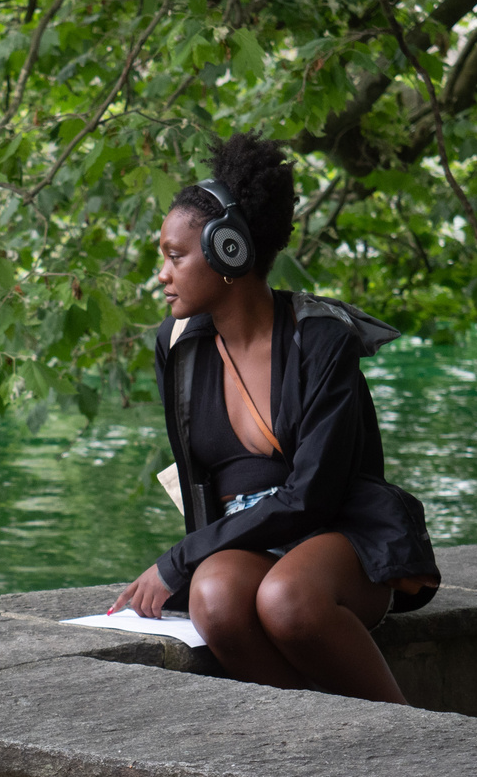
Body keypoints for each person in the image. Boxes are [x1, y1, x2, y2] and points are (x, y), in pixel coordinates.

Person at [111, 134, 439, 704]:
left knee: (287, 598)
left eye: (174, 255)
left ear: (227, 251)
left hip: (339, 535)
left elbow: (313, 495)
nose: (161, 275)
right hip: (252, 540)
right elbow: (197, 483)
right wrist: (195, 560)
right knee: (213, 598)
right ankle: (323, 739)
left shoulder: (321, 340)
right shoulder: (178, 345)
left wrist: (175, 561)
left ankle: (405, 731)